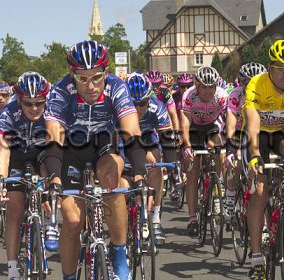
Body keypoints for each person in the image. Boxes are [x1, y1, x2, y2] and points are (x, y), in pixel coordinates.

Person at [43, 40, 147, 280]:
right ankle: (69, 275)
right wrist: (55, 178)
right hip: (71, 151)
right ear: (72, 74)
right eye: (82, 78)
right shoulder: (60, 90)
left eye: (96, 77)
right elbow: (54, 139)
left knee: (113, 180)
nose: (90, 86)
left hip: (103, 146)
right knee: (71, 219)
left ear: (106, 73)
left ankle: (119, 254)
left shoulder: (117, 87)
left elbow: (131, 132)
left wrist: (140, 172)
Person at [242, 39, 284, 279]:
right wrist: (255, 155)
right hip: (260, 137)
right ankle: (257, 257)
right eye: (280, 68)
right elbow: (253, 122)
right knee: (260, 191)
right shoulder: (257, 84)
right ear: (270, 67)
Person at [0, 72, 58, 280]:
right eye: (28, 103)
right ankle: (12, 268)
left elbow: (57, 149)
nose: (34, 108)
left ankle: (51, 221)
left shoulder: (52, 112)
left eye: (39, 103)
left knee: (49, 171)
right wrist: (0, 184)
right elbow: (3, 153)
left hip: (42, 155)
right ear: (19, 100)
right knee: (14, 210)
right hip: (17, 157)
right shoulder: (8, 114)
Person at [124, 72, 179, 245]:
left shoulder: (156, 107)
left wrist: (172, 166)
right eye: (135, 104)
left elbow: (166, 138)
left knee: (155, 161)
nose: (140, 108)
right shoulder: (117, 109)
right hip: (123, 141)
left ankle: (155, 218)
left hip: (147, 140)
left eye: (143, 103)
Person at [180, 66, 227, 237]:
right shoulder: (189, 95)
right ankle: (192, 219)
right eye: (204, 87)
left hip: (211, 126)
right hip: (193, 129)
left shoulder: (222, 96)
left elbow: (228, 121)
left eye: (211, 86)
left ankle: (217, 185)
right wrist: (186, 146)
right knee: (193, 173)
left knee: (220, 148)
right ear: (197, 86)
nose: (208, 91)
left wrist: (231, 145)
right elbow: (184, 123)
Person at [225, 62, 266, 219]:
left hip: (261, 131)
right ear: (241, 83)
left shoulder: (265, 92)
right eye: (247, 82)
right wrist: (230, 150)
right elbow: (231, 124)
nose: (251, 85)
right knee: (237, 162)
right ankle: (230, 194)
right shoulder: (235, 95)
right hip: (241, 131)